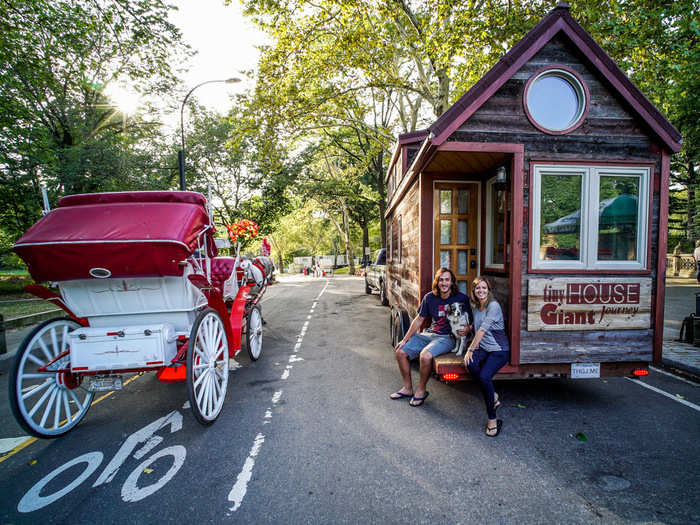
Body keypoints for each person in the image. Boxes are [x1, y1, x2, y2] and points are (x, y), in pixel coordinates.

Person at [391, 267, 471, 407]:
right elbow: (419, 320)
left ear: (452, 282)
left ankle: (421, 390)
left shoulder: (461, 298)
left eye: (447, 280)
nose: (444, 283)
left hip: (447, 337)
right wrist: (404, 339)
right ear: (437, 282)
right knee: (400, 352)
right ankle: (408, 388)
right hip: (429, 333)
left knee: (425, 356)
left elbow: (473, 318)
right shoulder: (430, 297)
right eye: (441, 280)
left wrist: (468, 329)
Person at [464, 276, 510, 437]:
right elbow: (477, 326)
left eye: (484, 288)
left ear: (488, 290)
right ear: (474, 291)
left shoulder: (493, 306)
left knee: (484, 377)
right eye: (478, 288)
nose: (481, 291)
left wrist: (470, 349)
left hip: (499, 350)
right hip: (484, 347)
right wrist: (468, 328)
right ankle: (493, 396)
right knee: (470, 364)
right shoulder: (477, 307)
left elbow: (483, 330)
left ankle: (492, 419)